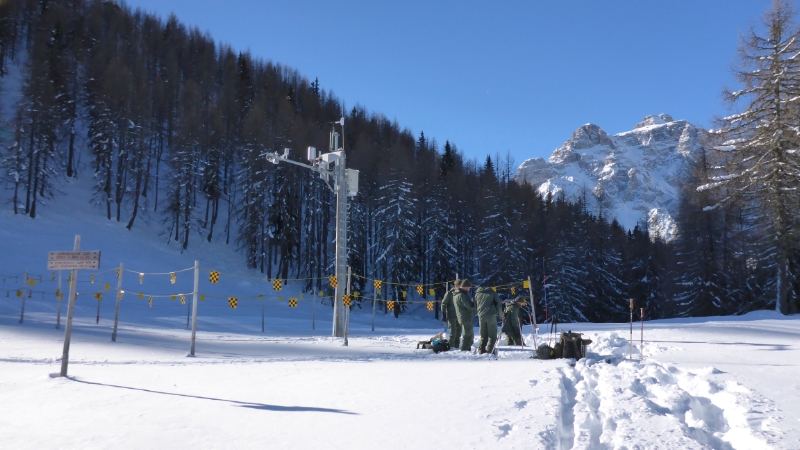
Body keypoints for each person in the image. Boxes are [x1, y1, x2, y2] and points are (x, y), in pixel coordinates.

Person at [474, 285, 502, 354]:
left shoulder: (477, 293)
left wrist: (478, 312)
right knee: (492, 335)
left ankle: (481, 350)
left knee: (483, 335)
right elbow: (498, 304)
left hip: (481, 316)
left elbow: (475, 305)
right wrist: (501, 314)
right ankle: (490, 350)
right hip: (491, 315)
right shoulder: (492, 293)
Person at [453, 279, 474, 351]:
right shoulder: (462, 295)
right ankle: (464, 349)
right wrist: (474, 303)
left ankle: (467, 348)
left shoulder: (457, 294)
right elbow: (469, 306)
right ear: (465, 287)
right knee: (467, 335)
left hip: (462, 317)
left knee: (468, 334)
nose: (469, 289)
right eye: (468, 287)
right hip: (466, 317)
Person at [440, 279, 461, 349]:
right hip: (452, 316)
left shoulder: (462, 294)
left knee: (458, 333)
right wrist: (443, 314)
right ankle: (451, 347)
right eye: (459, 286)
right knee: (453, 332)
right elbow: (444, 304)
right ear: (456, 286)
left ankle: (457, 347)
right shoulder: (449, 294)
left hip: (460, 316)